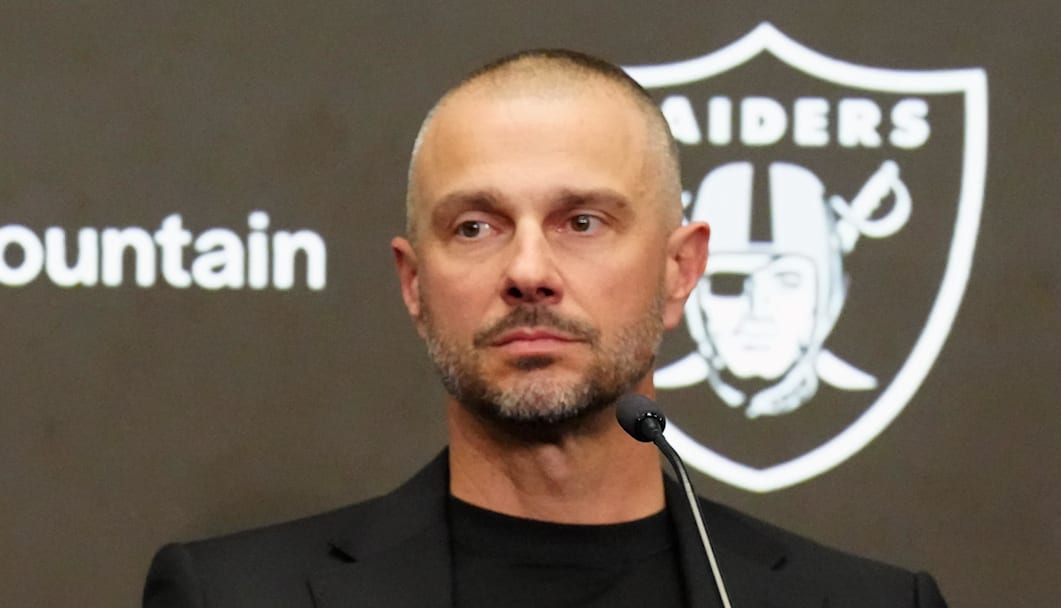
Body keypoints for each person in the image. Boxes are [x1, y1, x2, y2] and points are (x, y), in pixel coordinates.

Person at [143, 49, 948, 608]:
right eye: (475, 227)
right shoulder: (234, 598)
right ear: (413, 283)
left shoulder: (868, 604)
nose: (528, 270)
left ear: (681, 272)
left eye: (583, 221)